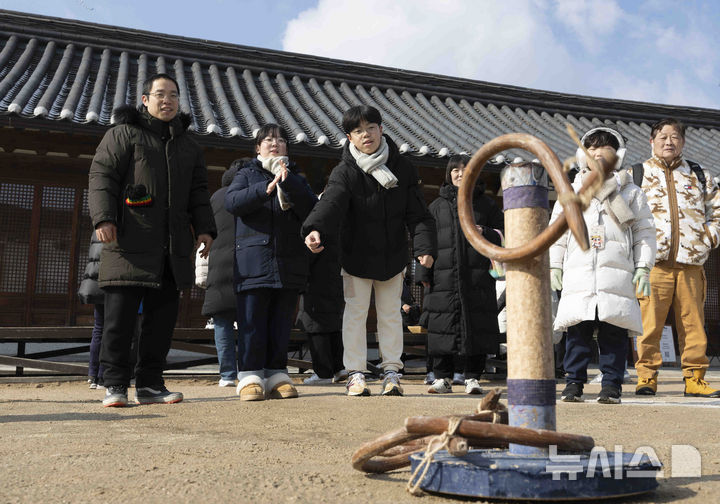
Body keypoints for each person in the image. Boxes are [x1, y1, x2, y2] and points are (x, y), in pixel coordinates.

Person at [88, 73, 216, 407]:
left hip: (171, 248)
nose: (168, 100)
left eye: (173, 95)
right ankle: (115, 384)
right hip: (128, 241)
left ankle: (150, 384)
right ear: (145, 99)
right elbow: (102, 176)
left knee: (160, 324)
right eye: (160, 94)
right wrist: (104, 217)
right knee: (119, 321)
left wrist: (205, 228)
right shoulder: (123, 134)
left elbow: (199, 192)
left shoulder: (189, 146)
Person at [302, 105, 437, 397]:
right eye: (358, 130)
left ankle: (391, 372)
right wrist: (314, 228)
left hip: (393, 256)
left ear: (381, 129)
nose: (367, 135)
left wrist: (424, 247)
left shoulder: (402, 167)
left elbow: (418, 214)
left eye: (371, 127)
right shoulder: (346, 170)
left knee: (390, 315)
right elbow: (331, 204)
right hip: (355, 256)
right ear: (350, 137)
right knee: (355, 314)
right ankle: (355, 373)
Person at [550, 127, 656, 404]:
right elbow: (558, 232)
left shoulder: (631, 192)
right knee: (577, 332)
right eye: (591, 149)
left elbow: (645, 232)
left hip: (617, 273)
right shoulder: (571, 191)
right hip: (579, 272)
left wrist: (643, 266)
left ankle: (611, 385)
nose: (597, 154)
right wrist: (554, 266)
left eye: (605, 149)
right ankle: (574, 383)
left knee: (614, 332)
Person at [225, 124, 317, 401]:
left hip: (288, 261)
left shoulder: (296, 177)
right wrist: (265, 189)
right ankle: (250, 376)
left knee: (280, 321)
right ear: (257, 148)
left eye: (280, 140)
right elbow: (233, 202)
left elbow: (311, 209)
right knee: (252, 321)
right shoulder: (245, 174)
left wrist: (287, 183)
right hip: (253, 261)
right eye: (267, 140)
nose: (274, 144)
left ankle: (277, 374)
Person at [632, 118, 720, 397]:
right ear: (652, 142)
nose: (669, 142)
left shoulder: (700, 175)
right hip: (652, 265)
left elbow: (717, 210)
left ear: (682, 142)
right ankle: (646, 376)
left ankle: (695, 378)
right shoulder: (636, 174)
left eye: (675, 137)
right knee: (649, 325)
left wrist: (707, 239)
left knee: (694, 324)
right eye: (663, 137)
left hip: (691, 264)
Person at [417, 154, 504, 395]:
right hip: (443, 278)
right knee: (442, 326)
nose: (460, 173)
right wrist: (423, 271)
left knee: (477, 325)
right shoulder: (436, 206)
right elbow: (424, 239)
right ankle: (442, 378)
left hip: (477, 277)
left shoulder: (486, 206)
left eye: (466, 169)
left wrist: (485, 231)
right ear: (449, 174)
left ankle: (473, 377)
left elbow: (506, 232)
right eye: (455, 169)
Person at [196, 159, 249, 387]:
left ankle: (227, 375)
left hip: (218, 267)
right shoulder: (250, 195)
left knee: (222, 323)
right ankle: (248, 372)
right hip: (247, 265)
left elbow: (204, 235)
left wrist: (201, 275)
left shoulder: (215, 198)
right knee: (249, 323)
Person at [296, 207, 347, 385]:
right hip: (336, 280)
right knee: (334, 326)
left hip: (316, 282)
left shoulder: (318, 222)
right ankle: (339, 368)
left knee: (316, 327)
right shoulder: (341, 220)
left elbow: (309, 256)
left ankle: (323, 373)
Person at [78, 230, 105, 389]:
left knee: (98, 329)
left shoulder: (96, 231)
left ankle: (92, 374)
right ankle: (102, 375)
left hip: (95, 282)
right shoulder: (114, 227)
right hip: (110, 281)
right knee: (110, 329)